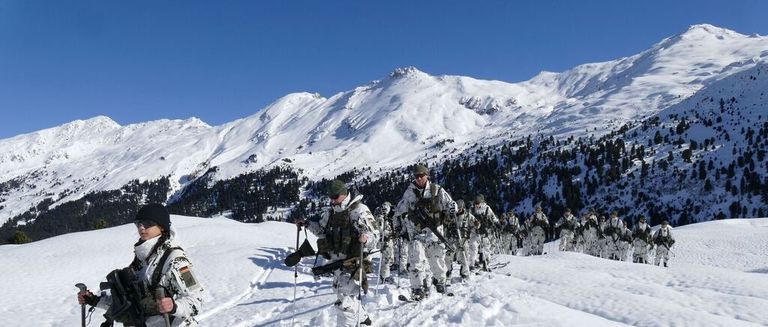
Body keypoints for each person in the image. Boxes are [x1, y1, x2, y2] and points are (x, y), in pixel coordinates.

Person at [76, 203, 205, 327]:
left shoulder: (176, 259)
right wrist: (94, 300)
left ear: (161, 226)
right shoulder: (142, 258)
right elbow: (129, 300)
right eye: (138, 223)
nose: (141, 227)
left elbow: (196, 301)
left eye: (148, 223)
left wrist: (174, 307)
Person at [299, 180, 379, 326]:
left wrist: (366, 238)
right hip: (336, 261)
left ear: (344, 194)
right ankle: (363, 318)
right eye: (330, 197)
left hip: (354, 261)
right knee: (340, 291)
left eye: (335, 197)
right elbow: (322, 230)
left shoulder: (359, 211)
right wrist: (308, 224)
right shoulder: (331, 212)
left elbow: (375, 235)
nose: (332, 200)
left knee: (344, 299)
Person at [392, 164, 457, 301]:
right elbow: (399, 211)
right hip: (416, 232)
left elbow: (451, 204)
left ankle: (440, 283)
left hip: (435, 232)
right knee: (416, 260)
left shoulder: (437, 190)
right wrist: (397, 225)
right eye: (417, 176)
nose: (419, 178)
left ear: (427, 175)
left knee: (437, 259)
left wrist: (452, 209)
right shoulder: (409, 193)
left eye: (422, 175)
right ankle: (417, 288)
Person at [470, 194, 499, 269]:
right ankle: (473, 263)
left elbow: (493, 216)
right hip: (475, 231)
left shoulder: (486, 208)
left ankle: (485, 262)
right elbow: (468, 218)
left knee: (486, 246)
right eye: (475, 203)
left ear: (482, 202)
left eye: (478, 203)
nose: (476, 205)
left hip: (485, 230)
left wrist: (497, 222)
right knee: (473, 246)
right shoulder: (472, 209)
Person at [375, 202, 396, 284]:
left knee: (389, 258)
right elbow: (380, 229)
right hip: (384, 241)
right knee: (386, 259)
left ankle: (385, 275)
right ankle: (384, 276)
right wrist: (387, 233)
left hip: (388, 240)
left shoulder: (386, 218)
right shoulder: (380, 218)